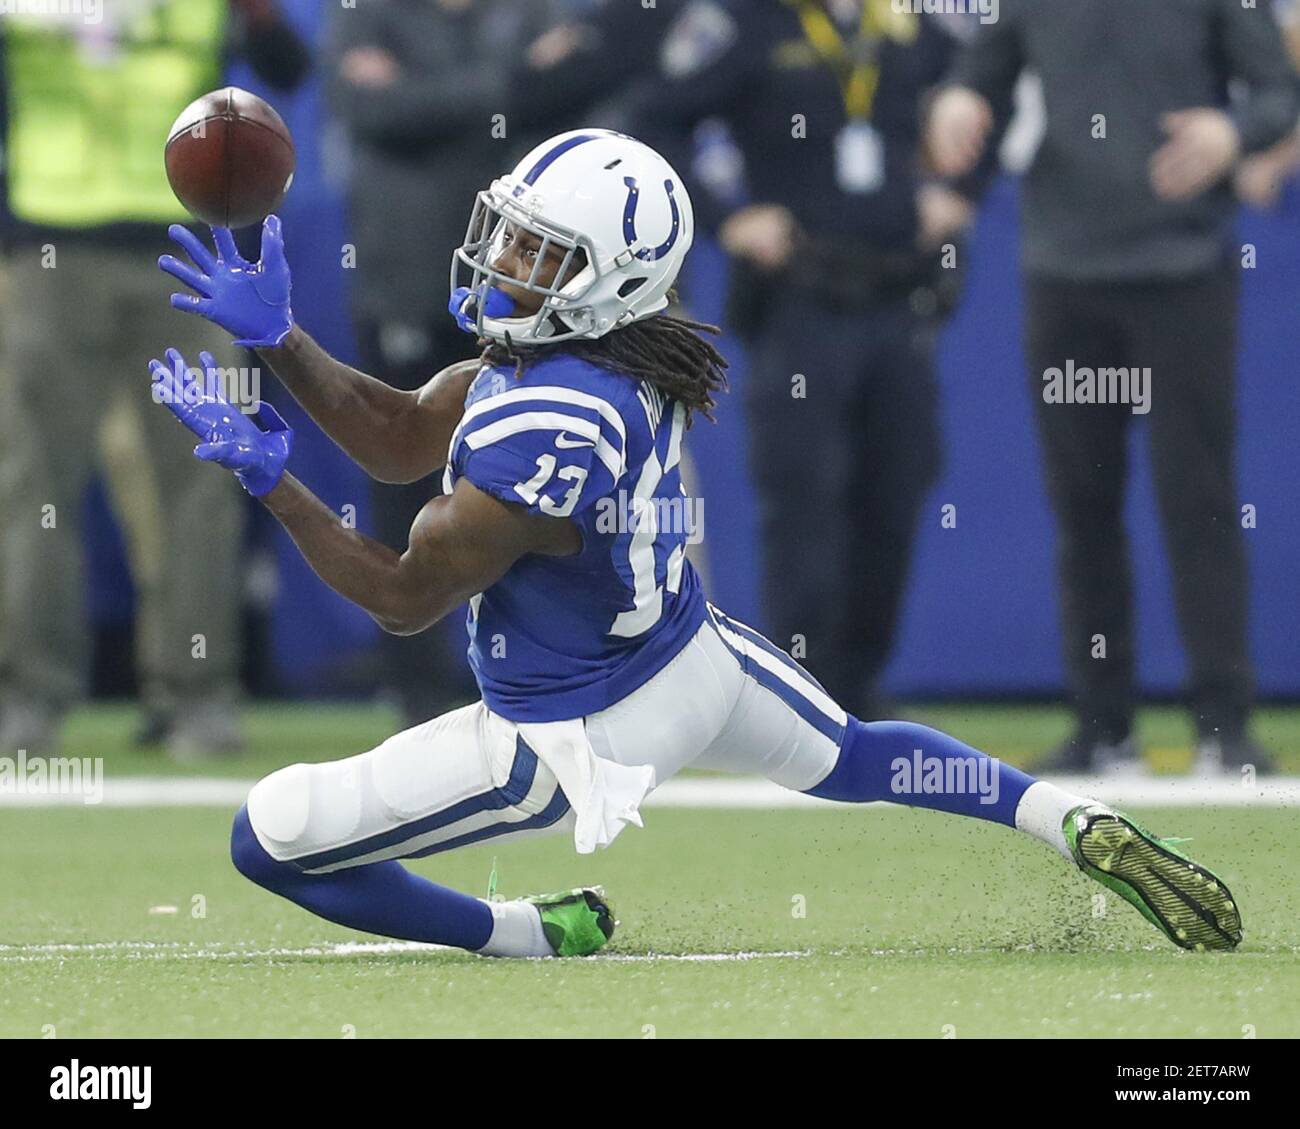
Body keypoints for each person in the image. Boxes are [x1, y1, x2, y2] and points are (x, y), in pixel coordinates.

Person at [153, 130, 1241, 957]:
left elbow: (401, 599)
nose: (502, 262)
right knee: (857, 755)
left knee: (271, 836)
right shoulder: (629, 352)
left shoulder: (544, 430)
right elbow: (399, 437)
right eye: (509, 233)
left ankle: (526, 932)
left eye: (537, 252)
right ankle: (1073, 816)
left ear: (608, 280)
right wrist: (278, 341)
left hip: (568, 736)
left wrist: (273, 484)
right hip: (693, 665)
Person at [926, 0, 1298, 774]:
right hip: (1065, 277)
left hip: (1182, 275)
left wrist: (1233, 132)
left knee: (1198, 501)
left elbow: (1277, 94)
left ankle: (1223, 729)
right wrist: (961, 96)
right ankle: (1104, 728)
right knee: (1082, 507)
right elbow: (981, 71)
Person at [0, 0, 308, 759]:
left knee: (208, 477)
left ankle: (197, 692)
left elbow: (290, 70)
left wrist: (261, 19)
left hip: (187, 246)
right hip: (51, 243)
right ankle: (30, 693)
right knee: (32, 484)